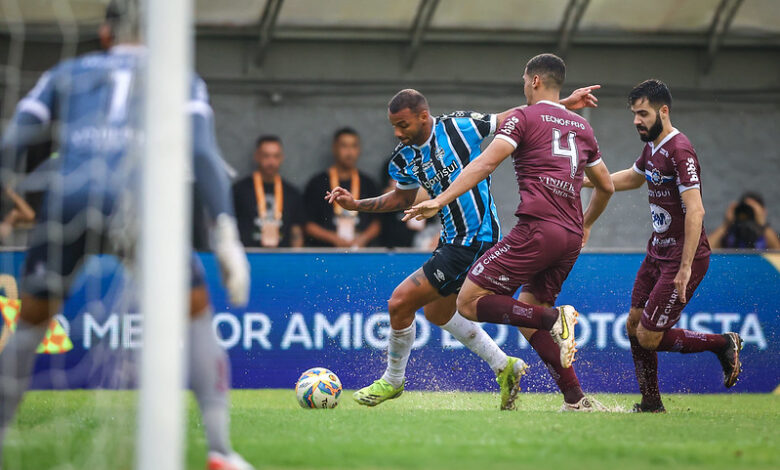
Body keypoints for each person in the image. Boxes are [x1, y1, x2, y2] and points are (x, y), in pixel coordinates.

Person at [0, 2, 254, 469]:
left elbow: (14, 145)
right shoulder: (176, 75)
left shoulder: (66, 72)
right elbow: (201, 153)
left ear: (104, 33)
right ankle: (219, 449)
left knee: (30, 324)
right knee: (195, 313)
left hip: (69, 197)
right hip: (141, 201)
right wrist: (225, 234)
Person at [327, 82, 602, 411]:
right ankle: (506, 367)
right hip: (452, 239)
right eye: (394, 127)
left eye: (403, 125)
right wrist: (358, 204)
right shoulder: (403, 159)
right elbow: (402, 197)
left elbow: (515, 118)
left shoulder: (460, 125)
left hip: (475, 237)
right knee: (437, 311)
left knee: (400, 304)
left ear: (423, 116)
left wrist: (564, 103)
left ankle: (394, 380)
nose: (398, 133)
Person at [404, 54, 615, 411]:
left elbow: (486, 162)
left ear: (534, 81)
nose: (522, 85)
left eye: (523, 79)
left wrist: (440, 199)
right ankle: (576, 399)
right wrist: (587, 225)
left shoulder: (522, 117)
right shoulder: (582, 127)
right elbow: (606, 186)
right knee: (528, 310)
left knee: (468, 301)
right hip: (568, 237)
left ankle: (555, 319)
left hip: (537, 228)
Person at [584, 79, 742, 413]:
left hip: (682, 259)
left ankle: (721, 344)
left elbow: (696, 210)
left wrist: (684, 268)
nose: (636, 120)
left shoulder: (678, 149)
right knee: (633, 325)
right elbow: (634, 177)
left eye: (643, 113)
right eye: (634, 114)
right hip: (656, 253)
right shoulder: (653, 147)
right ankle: (652, 403)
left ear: (664, 111)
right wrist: (587, 179)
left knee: (649, 336)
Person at [303, 128, 381, 248]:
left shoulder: (368, 183)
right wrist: (333, 238)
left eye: (354, 146)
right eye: (344, 146)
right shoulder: (318, 183)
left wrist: (363, 238)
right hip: (326, 252)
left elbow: (377, 221)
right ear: (334, 148)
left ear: (359, 150)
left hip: (360, 253)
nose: (349, 152)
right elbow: (308, 224)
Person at [232, 135, 305, 248]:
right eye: (266, 156)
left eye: (276, 156)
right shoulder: (239, 190)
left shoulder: (292, 193)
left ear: (281, 158)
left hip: (283, 257)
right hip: (249, 256)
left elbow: (296, 231)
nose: (271, 162)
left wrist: (295, 258)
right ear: (257, 157)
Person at [708, 192, 780, 249]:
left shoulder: (766, 234)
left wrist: (762, 223)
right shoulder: (730, 232)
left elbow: (778, 254)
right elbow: (706, 251)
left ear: (763, 211)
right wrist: (726, 224)